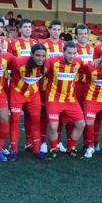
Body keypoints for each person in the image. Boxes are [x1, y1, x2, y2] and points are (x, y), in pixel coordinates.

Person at [45, 41, 86, 159]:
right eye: (69, 53)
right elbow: (41, 74)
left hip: (70, 99)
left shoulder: (78, 62)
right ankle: (53, 148)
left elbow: (88, 70)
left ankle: (71, 148)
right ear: (63, 52)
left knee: (81, 124)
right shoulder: (52, 61)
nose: (72, 56)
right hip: (54, 98)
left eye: (74, 53)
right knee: (53, 126)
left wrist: (97, 62)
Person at [9, 44, 49, 161]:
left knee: (35, 120)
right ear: (31, 55)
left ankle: (36, 149)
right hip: (17, 93)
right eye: (37, 55)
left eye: (43, 56)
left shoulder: (47, 64)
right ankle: (13, 150)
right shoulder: (18, 62)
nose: (40, 58)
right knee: (15, 120)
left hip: (33, 94)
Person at [39, 19, 65, 153]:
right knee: (44, 114)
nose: (56, 32)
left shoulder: (65, 45)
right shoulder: (42, 44)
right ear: (49, 30)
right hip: (43, 85)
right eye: (54, 29)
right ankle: (43, 142)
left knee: (60, 115)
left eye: (58, 29)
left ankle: (58, 141)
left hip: (60, 86)